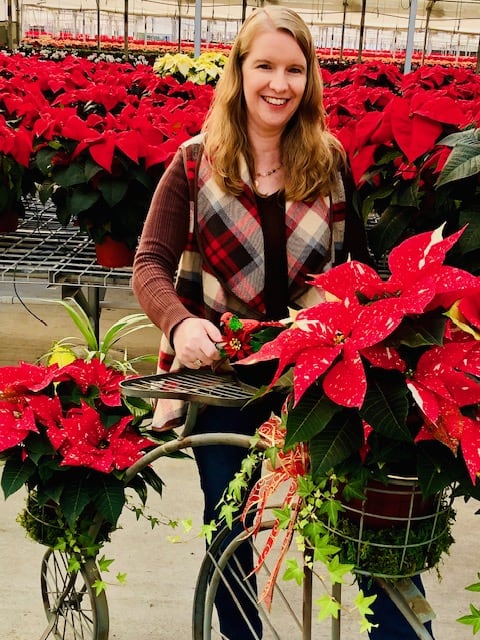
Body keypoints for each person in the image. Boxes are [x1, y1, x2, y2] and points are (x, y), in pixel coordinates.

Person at [132, 6, 432, 639]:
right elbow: (149, 264)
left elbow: (354, 264)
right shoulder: (194, 163)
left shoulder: (327, 159)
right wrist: (180, 324)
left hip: (317, 364)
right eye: (264, 65)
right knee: (230, 522)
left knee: (365, 506)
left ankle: (403, 634)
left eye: (294, 69)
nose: (279, 83)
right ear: (239, 71)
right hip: (223, 369)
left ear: (309, 79)